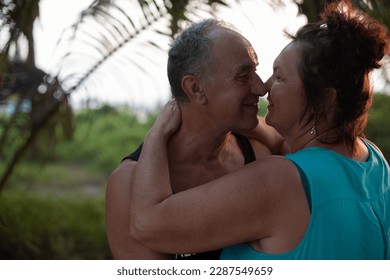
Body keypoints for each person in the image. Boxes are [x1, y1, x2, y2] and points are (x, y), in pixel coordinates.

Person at [129, 0, 390, 259]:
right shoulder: (373, 160)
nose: (264, 86)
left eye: (279, 76)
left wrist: (157, 134)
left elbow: (147, 223)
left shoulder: (279, 179)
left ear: (323, 98)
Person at [105, 19, 286, 259]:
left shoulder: (258, 153)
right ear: (195, 89)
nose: (261, 87)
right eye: (243, 76)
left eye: (255, 70)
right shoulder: (128, 186)